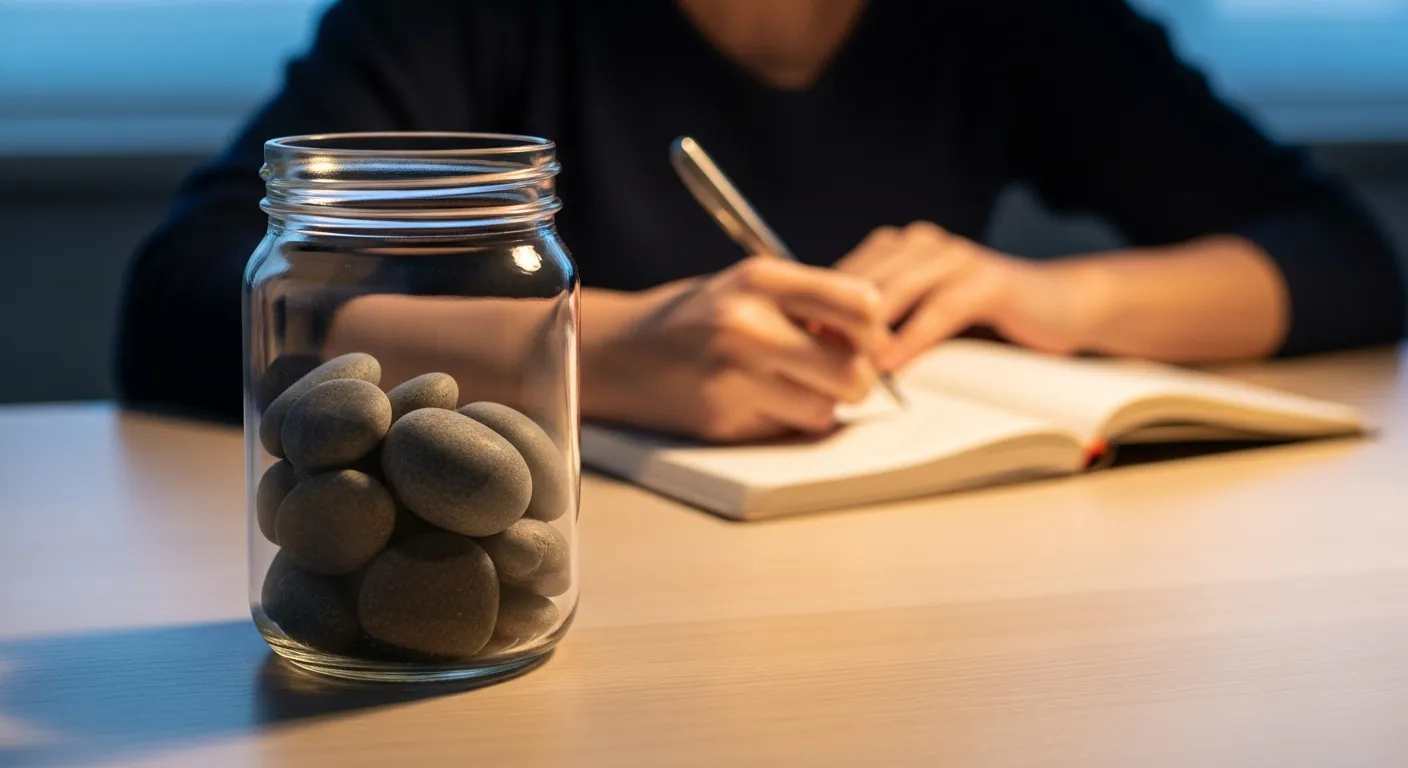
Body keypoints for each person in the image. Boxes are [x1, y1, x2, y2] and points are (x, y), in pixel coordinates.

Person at [116, 0, 1406, 442]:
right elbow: (184, 302)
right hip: (539, 573)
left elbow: (1344, 260)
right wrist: (600, 351)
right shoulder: (474, 14)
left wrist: (1050, 298)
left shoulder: (1015, 18)